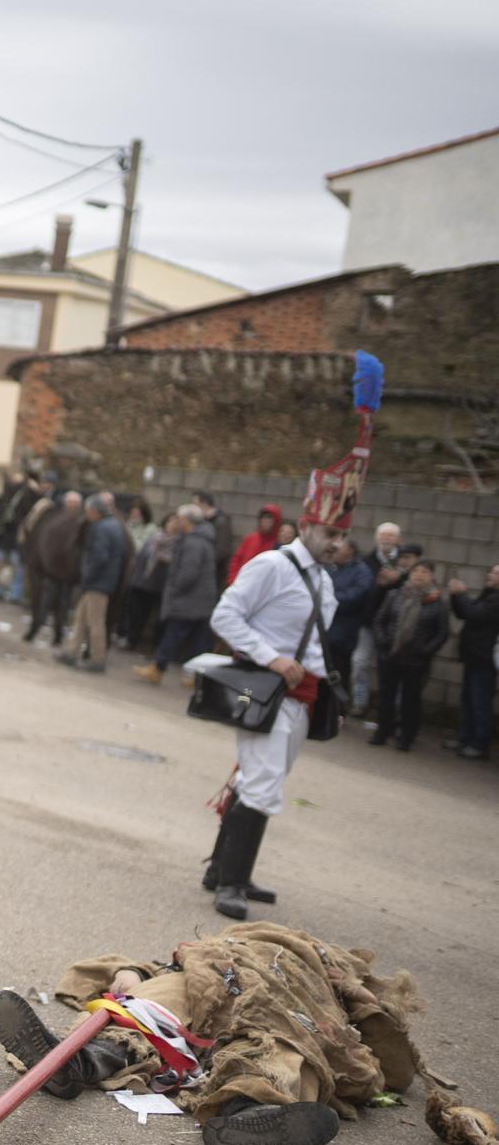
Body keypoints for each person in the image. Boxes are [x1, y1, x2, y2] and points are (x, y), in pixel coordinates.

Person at [0, 921, 437, 1145]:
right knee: (154, 1005)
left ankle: (251, 1116)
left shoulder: (336, 982)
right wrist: (132, 974)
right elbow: (159, 966)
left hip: (287, 1012)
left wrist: (357, 997)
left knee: (285, 1050)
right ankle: (78, 1063)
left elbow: (394, 1068)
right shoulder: (234, 944)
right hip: (212, 981)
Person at [201, 357, 376, 920]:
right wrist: (272, 658)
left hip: (301, 697)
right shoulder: (275, 566)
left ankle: (226, 871)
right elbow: (226, 616)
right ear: (306, 524)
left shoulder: (323, 577)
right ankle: (230, 883)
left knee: (262, 780)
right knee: (262, 783)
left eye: (343, 535)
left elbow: (319, 646)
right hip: (266, 687)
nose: (337, 543)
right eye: (331, 532)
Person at [367, 559, 448, 752]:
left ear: (432, 577)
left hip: (416, 660)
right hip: (391, 654)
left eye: (425, 572)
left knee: (410, 699)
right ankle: (382, 731)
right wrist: (382, 640)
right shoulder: (395, 595)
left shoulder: (437, 603)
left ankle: (406, 736)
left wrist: (426, 651)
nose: (419, 575)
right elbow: (380, 620)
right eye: (416, 571)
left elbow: (442, 633)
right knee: (386, 695)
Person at [136, 505, 219, 684]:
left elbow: (189, 573)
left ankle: (158, 668)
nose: (177, 522)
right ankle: (197, 676)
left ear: (187, 521)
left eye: (180, 519)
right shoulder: (200, 539)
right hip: (200, 599)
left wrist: (174, 589)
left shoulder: (193, 542)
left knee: (174, 633)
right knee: (198, 639)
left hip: (190, 599)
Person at [55, 491, 125, 672]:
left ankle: (97, 659)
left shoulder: (100, 528)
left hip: (98, 583)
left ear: (94, 511)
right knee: (81, 617)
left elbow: (99, 557)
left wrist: (88, 575)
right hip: (103, 581)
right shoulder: (114, 525)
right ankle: (71, 651)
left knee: (95, 621)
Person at [349, 520, 403, 713]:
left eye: (390, 536)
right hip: (368, 621)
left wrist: (398, 580)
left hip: (394, 626)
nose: (386, 539)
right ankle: (360, 702)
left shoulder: (404, 562)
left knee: (390, 669)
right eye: (383, 535)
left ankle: (389, 707)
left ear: (398, 540)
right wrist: (380, 585)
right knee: (359, 662)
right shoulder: (366, 561)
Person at [447, 564, 499, 760]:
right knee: (468, 700)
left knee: (479, 702)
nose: (491, 576)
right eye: (492, 572)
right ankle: (465, 738)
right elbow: (463, 613)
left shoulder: (496, 600)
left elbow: (475, 614)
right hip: (474, 657)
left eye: (496, 574)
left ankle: (479, 744)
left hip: (484, 660)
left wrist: (461, 594)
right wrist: (455, 596)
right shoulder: (489, 594)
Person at [22, 490, 85, 647]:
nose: (71, 507)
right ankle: (38, 629)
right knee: (49, 601)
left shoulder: (80, 524)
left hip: (66, 575)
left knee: (62, 604)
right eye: (69, 503)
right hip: (52, 572)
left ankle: (55, 634)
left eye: (74, 504)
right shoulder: (55, 519)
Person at [323, 536, 373, 694]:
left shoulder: (361, 571)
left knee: (339, 676)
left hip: (344, 634)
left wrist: (327, 598)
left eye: (339, 547)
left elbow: (354, 597)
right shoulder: (328, 567)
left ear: (350, 550)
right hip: (324, 632)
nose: (334, 550)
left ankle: (339, 713)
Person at [0, 470, 42, 605]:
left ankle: (14, 594)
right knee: (1, 563)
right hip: (5, 534)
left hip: (18, 536)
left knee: (17, 566)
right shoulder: (10, 491)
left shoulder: (30, 493)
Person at [116, 498, 162, 649]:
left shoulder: (150, 529)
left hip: (140, 575)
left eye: (138, 513)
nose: (135, 516)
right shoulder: (127, 526)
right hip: (124, 570)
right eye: (133, 512)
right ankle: (119, 632)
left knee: (135, 608)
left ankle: (130, 637)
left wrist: (129, 540)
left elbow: (140, 548)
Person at [225, 502, 283, 586]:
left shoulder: (277, 546)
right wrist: (233, 581)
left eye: (269, 519)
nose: (266, 521)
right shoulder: (250, 539)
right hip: (241, 584)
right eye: (263, 518)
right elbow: (237, 560)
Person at [194, 490, 234, 588]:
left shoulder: (221, 522)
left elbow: (222, 550)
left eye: (196, 505)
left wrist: (205, 565)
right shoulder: (203, 522)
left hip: (214, 574)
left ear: (204, 504)